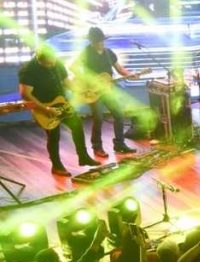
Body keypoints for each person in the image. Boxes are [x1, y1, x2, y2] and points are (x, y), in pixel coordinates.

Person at [18, 45, 99, 176]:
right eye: (48, 64)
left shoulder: (57, 63)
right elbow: (25, 94)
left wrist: (81, 91)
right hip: (44, 107)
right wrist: (45, 109)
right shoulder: (28, 70)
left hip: (62, 103)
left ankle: (83, 157)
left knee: (77, 126)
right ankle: (56, 166)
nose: (52, 65)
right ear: (39, 60)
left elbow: (67, 82)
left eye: (53, 61)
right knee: (54, 136)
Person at [73, 26, 138, 157]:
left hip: (108, 89)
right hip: (92, 90)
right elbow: (73, 67)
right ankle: (97, 147)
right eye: (97, 41)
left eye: (101, 41)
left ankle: (119, 144)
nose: (100, 44)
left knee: (119, 114)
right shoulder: (86, 53)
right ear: (91, 42)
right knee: (98, 118)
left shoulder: (108, 53)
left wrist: (130, 74)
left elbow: (119, 69)